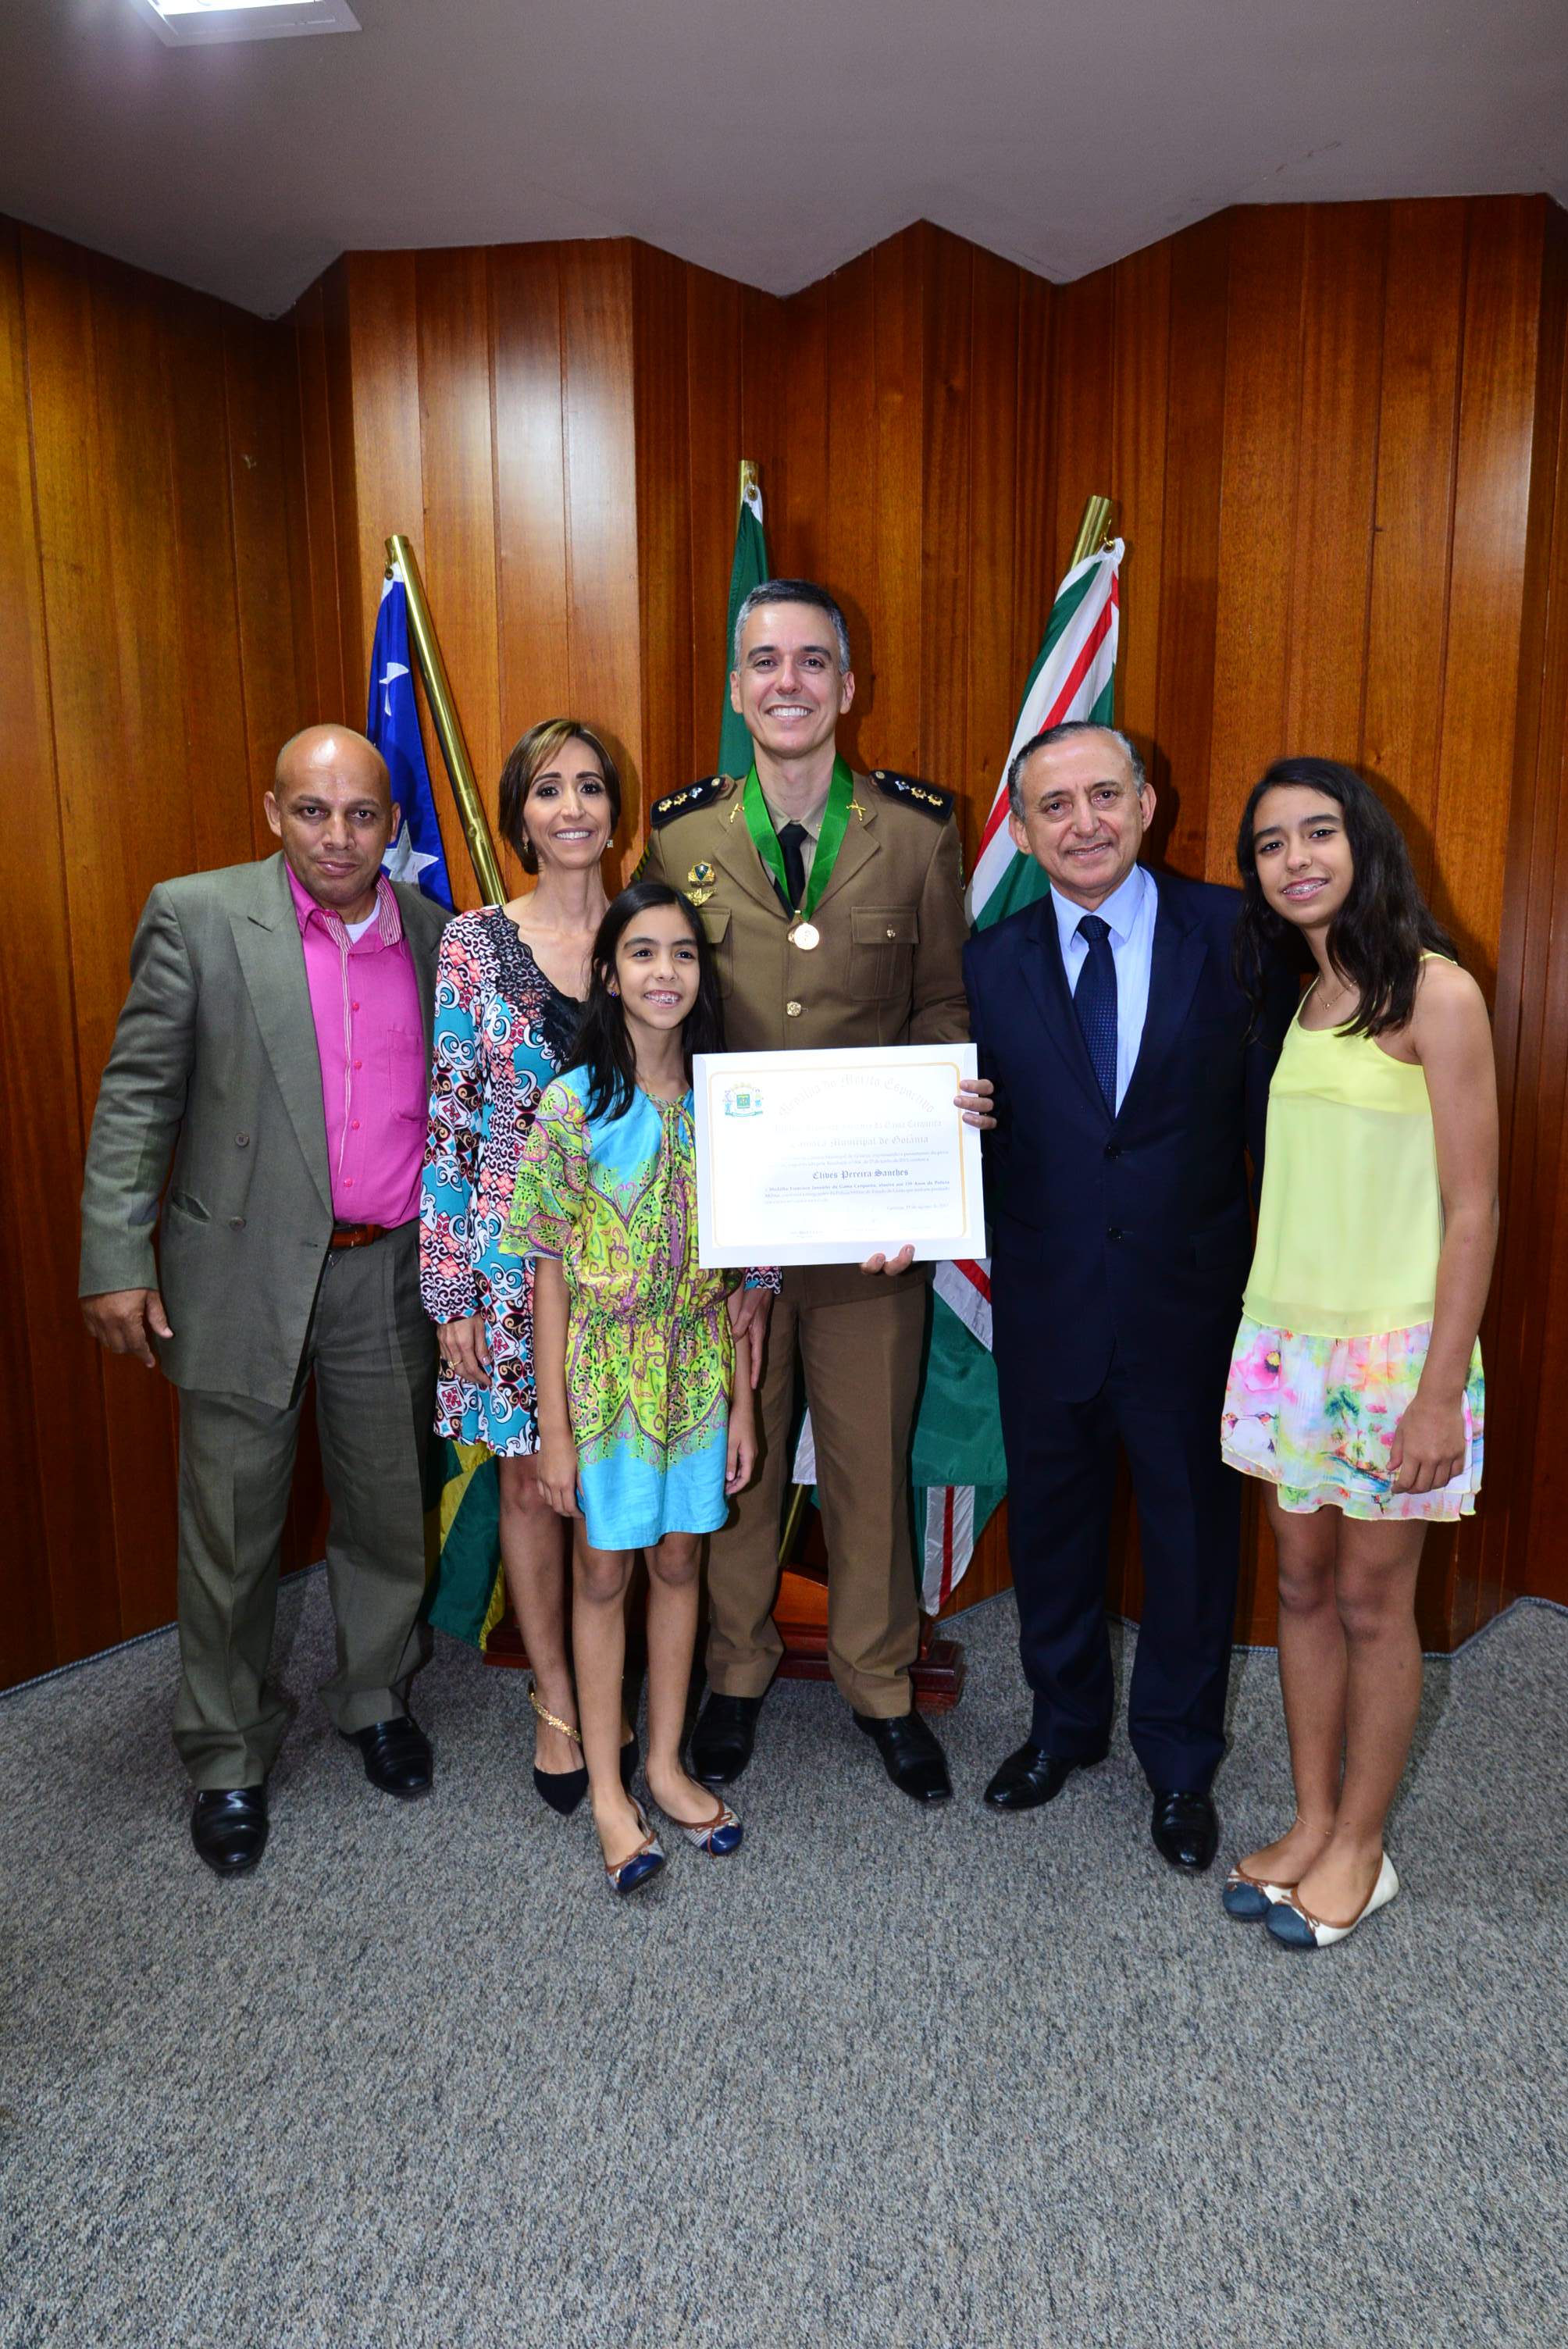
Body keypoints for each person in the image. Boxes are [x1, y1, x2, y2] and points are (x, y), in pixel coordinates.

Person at [78, 725, 451, 1876]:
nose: (338, 837)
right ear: (273, 811)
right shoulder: (196, 917)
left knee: (388, 1510)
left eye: (362, 815)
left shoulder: (438, 935)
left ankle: (374, 1696)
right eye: (313, 811)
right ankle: (227, 1753)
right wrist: (114, 1254)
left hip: (387, 1269)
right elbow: (139, 1096)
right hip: (238, 1272)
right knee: (232, 1530)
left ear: (393, 825)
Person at [642, 578, 989, 1805]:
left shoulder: (918, 833)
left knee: (865, 1462)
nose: (785, 682)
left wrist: (927, 1185)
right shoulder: (679, 839)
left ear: (848, 685)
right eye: (763, 662)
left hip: (867, 1228)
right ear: (737, 689)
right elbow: (661, 1015)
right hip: (727, 1227)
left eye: (810, 661)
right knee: (735, 1451)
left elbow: (942, 1010)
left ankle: (880, 1683)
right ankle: (734, 1673)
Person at [964, 720, 1295, 1870]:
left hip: (1192, 1306)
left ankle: (1181, 1762)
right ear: (1022, 831)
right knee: (1052, 1534)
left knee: (1192, 1544)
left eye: (1104, 796)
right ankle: (1062, 1729)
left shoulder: (1240, 935)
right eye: (1054, 806)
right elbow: (978, 1132)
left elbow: (1275, 1127)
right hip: (1048, 1299)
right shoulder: (988, 961)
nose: (1084, 823)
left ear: (1147, 804)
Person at [1220, 758, 1496, 1948]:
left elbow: (1474, 1209)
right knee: (1298, 1589)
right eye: (1271, 844)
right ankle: (1314, 1819)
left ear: (1365, 842)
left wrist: (1438, 1395)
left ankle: (1364, 1849)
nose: (1296, 859)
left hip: (1396, 1360)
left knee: (1377, 1603)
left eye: (1318, 832)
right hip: (1285, 1349)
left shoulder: (1438, 993)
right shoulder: (1304, 995)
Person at [504, 881, 762, 1892]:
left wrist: (745, 1403)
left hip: (696, 1365)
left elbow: (743, 1277)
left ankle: (664, 1763)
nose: (666, 972)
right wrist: (555, 1431)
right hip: (602, 1375)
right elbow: (546, 1276)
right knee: (605, 1571)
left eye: (684, 954)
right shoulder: (574, 1106)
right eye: (643, 953)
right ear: (609, 975)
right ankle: (610, 1787)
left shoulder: (727, 1102)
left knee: (681, 1561)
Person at [420, 719, 618, 1813]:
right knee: (534, 1489)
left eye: (590, 786)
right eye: (548, 789)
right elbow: (451, 1122)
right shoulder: (472, 942)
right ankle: (556, 1699)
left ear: (616, 812)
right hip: (507, 1277)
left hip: (636, 1275)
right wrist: (448, 1290)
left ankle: (610, 1677)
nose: (572, 807)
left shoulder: (655, 934)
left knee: (616, 1488)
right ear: (520, 819)